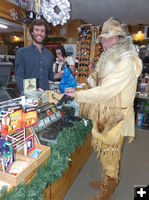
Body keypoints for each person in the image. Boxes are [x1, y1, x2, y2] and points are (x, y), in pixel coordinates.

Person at [65, 17, 142, 200]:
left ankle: (107, 189)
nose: (106, 42)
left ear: (120, 38)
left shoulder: (127, 60)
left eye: (111, 38)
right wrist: (80, 87)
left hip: (116, 115)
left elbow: (107, 90)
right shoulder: (109, 56)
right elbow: (95, 78)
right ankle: (107, 180)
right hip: (104, 112)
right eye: (104, 39)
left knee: (111, 154)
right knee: (105, 151)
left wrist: (78, 95)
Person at [15, 19, 55, 93]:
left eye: (42, 31)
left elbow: (50, 76)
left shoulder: (49, 55)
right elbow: (19, 77)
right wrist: (34, 91)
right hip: (29, 99)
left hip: (45, 96)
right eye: (37, 30)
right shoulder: (22, 52)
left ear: (45, 34)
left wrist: (60, 74)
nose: (39, 33)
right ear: (32, 32)